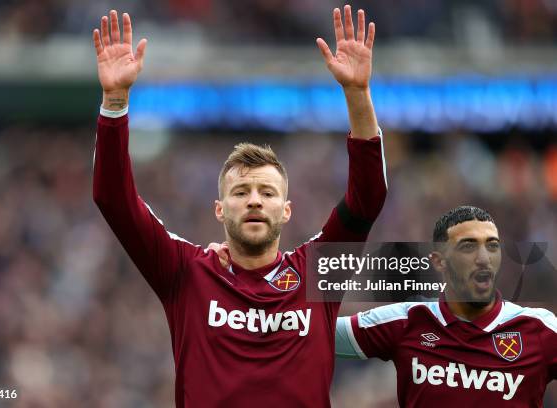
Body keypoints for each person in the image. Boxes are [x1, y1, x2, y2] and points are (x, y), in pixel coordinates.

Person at [92, 6, 387, 407]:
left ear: (286, 210)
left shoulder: (315, 273)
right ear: (219, 209)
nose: (253, 200)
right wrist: (114, 101)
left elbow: (368, 197)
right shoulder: (186, 272)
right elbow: (113, 199)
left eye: (267, 193)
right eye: (241, 192)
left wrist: (357, 95)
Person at [336, 206, 557, 407]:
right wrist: (300, 267)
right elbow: (311, 331)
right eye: (468, 246)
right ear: (439, 261)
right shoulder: (407, 320)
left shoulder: (539, 328)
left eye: (492, 246)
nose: (483, 258)